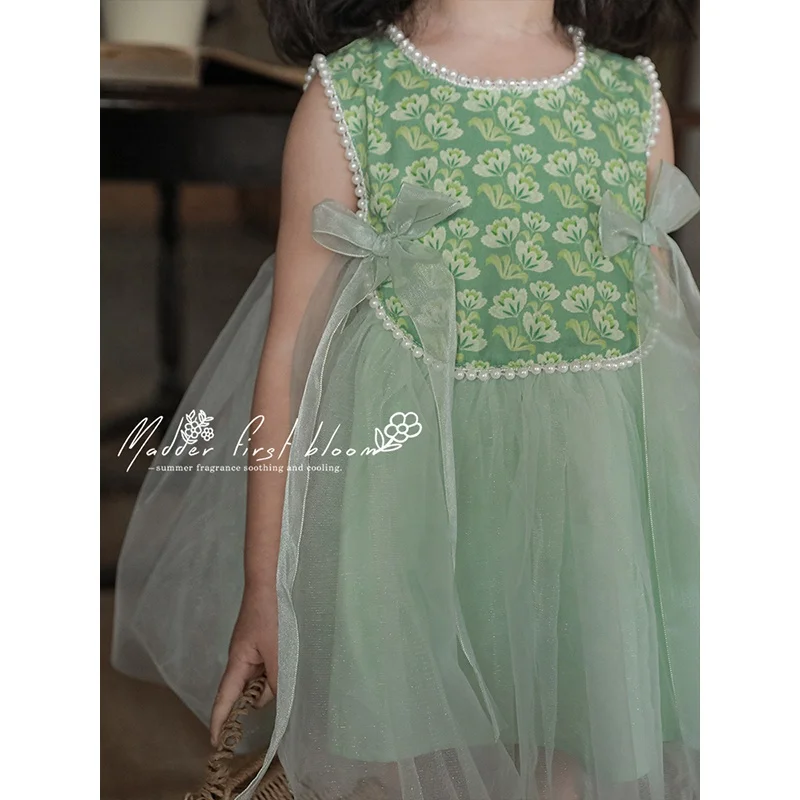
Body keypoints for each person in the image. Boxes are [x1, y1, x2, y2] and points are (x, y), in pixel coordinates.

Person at [112, 1, 700, 798]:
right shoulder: (352, 95)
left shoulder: (631, 99)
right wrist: (265, 588)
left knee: (570, 753)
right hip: (406, 527)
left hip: (585, 526)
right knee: (405, 765)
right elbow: (289, 353)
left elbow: (661, 358)